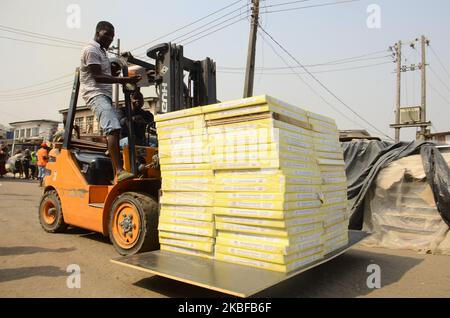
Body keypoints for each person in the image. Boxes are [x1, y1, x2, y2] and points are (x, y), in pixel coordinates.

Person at [80, 21, 141, 182]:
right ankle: (119, 171)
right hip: (95, 94)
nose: (110, 39)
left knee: (120, 129)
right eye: (107, 34)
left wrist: (121, 66)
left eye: (112, 36)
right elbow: (98, 77)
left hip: (103, 94)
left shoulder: (102, 52)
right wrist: (124, 79)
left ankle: (116, 157)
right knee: (113, 127)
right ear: (97, 32)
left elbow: (107, 72)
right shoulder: (91, 50)